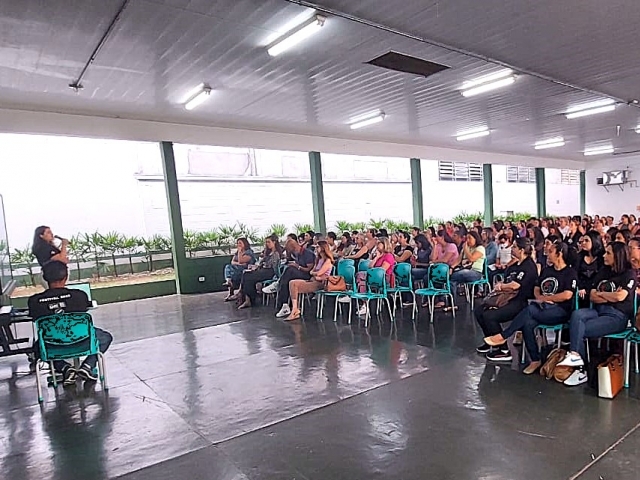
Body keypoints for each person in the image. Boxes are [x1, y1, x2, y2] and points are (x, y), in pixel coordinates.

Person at [485, 242, 577, 369]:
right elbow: (536, 288)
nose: (547, 254)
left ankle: (504, 335)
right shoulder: (546, 270)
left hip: (559, 310)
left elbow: (567, 295)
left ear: (559, 254)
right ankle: (535, 359)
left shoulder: (570, 272)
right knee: (527, 323)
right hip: (541, 307)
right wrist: (541, 298)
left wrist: (547, 298)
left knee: (529, 310)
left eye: (550, 252)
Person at [557, 241, 637, 386]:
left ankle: (580, 370)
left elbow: (621, 297)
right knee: (577, 315)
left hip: (617, 316)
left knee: (578, 329)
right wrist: (610, 294)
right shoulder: (604, 271)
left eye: (608, 253)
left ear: (617, 256)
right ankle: (576, 357)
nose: (604, 256)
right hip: (598, 310)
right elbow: (592, 295)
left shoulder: (629, 273)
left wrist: (602, 295)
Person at [28, 261, 112, 385]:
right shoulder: (79, 296)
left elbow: (34, 317)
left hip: (51, 343)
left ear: (44, 278)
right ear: (66, 277)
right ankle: (87, 366)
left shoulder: (34, 301)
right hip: (82, 340)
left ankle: (65, 368)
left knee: (37, 348)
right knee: (105, 337)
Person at [474, 238, 538, 356]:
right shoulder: (514, 264)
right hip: (506, 297)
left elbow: (515, 285)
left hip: (520, 301)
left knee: (490, 316)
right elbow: (507, 280)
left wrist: (502, 286)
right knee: (479, 311)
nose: (511, 249)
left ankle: (503, 350)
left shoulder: (528, 266)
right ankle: (490, 341)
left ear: (522, 250)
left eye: (514, 247)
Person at [286, 241, 334, 321]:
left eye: (318, 247)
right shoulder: (318, 260)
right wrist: (315, 274)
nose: (316, 248)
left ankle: (295, 310)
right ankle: (295, 308)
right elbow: (311, 272)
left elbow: (319, 273)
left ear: (323, 248)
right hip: (314, 280)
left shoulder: (328, 261)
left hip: (321, 283)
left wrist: (315, 274)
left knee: (295, 285)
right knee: (292, 283)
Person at [272, 239, 315, 318]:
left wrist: (297, 266)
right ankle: (284, 304)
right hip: (300, 272)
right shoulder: (297, 254)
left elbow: (309, 269)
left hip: (307, 274)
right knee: (287, 276)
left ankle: (278, 285)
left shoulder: (307, 253)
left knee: (290, 270)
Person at [237, 235, 282, 310]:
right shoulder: (268, 252)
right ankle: (248, 298)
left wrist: (261, 265)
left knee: (248, 277)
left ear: (274, 242)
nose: (267, 244)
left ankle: (248, 298)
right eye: (266, 242)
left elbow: (272, 265)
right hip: (263, 270)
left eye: (268, 242)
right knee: (246, 274)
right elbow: (262, 262)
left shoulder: (276, 253)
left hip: (270, 272)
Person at [355, 237, 396, 316]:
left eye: (379, 244)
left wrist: (372, 271)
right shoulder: (379, 256)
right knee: (360, 276)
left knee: (362, 276)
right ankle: (364, 302)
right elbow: (370, 267)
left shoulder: (389, 256)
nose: (377, 245)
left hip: (384, 278)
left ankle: (364, 303)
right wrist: (376, 258)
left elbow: (382, 270)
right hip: (374, 276)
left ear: (384, 244)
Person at [447, 231, 486, 310]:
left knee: (458, 274)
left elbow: (471, 258)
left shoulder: (480, 248)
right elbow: (458, 260)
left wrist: (465, 249)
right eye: (467, 238)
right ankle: (452, 304)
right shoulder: (466, 248)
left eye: (470, 238)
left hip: (476, 273)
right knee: (451, 281)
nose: (467, 240)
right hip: (464, 270)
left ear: (475, 239)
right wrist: (451, 268)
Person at [576, 231, 605, 308]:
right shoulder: (579, 257)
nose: (583, 243)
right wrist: (581, 287)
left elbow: (602, 276)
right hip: (580, 288)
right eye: (582, 241)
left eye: (587, 241)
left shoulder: (602, 258)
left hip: (596, 288)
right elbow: (575, 274)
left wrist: (589, 289)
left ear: (595, 241)